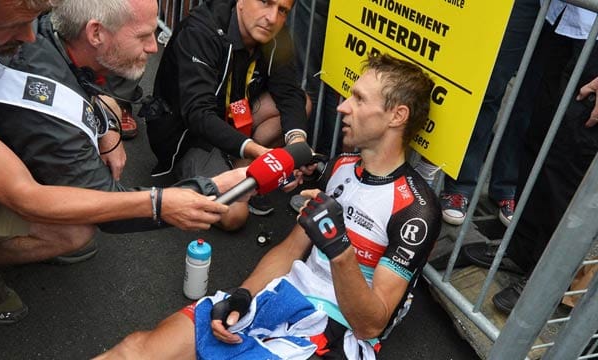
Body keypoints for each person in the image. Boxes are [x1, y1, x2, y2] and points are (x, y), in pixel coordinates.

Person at [95, 53, 442, 360]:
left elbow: (370, 324)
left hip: (336, 331)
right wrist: (244, 294)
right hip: (282, 297)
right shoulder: (341, 167)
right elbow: (291, 248)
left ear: (397, 115)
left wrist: (340, 250)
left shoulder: (417, 209)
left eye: (359, 99)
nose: (342, 106)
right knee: (136, 349)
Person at [0, 0, 245, 324]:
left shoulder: (47, 27)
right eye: (143, 36)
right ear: (95, 33)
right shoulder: (51, 121)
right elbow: (63, 201)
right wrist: (174, 198)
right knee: (75, 232)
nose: (154, 47)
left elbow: (85, 91)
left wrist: (107, 128)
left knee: (106, 108)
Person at [462, 1, 598, 314]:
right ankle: (521, 249)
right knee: (537, 138)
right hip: (560, 22)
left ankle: (544, 278)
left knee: (569, 159)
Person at [147, 0, 312, 230]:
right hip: (191, 137)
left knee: (302, 103)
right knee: (234, 216)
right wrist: (259, 151)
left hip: (234, 121)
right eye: (265, 2)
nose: (273, 18)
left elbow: (290, 93)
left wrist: (297, 149)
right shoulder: (201, 30)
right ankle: (237, 166)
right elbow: (197, 114)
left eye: (282, 10)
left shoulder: (275, 32)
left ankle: (240, 164)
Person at [438, 0, 540, 226]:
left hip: (561, 18)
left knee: (531, 99)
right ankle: (460, 184)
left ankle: (507, 186)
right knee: (488, 87)